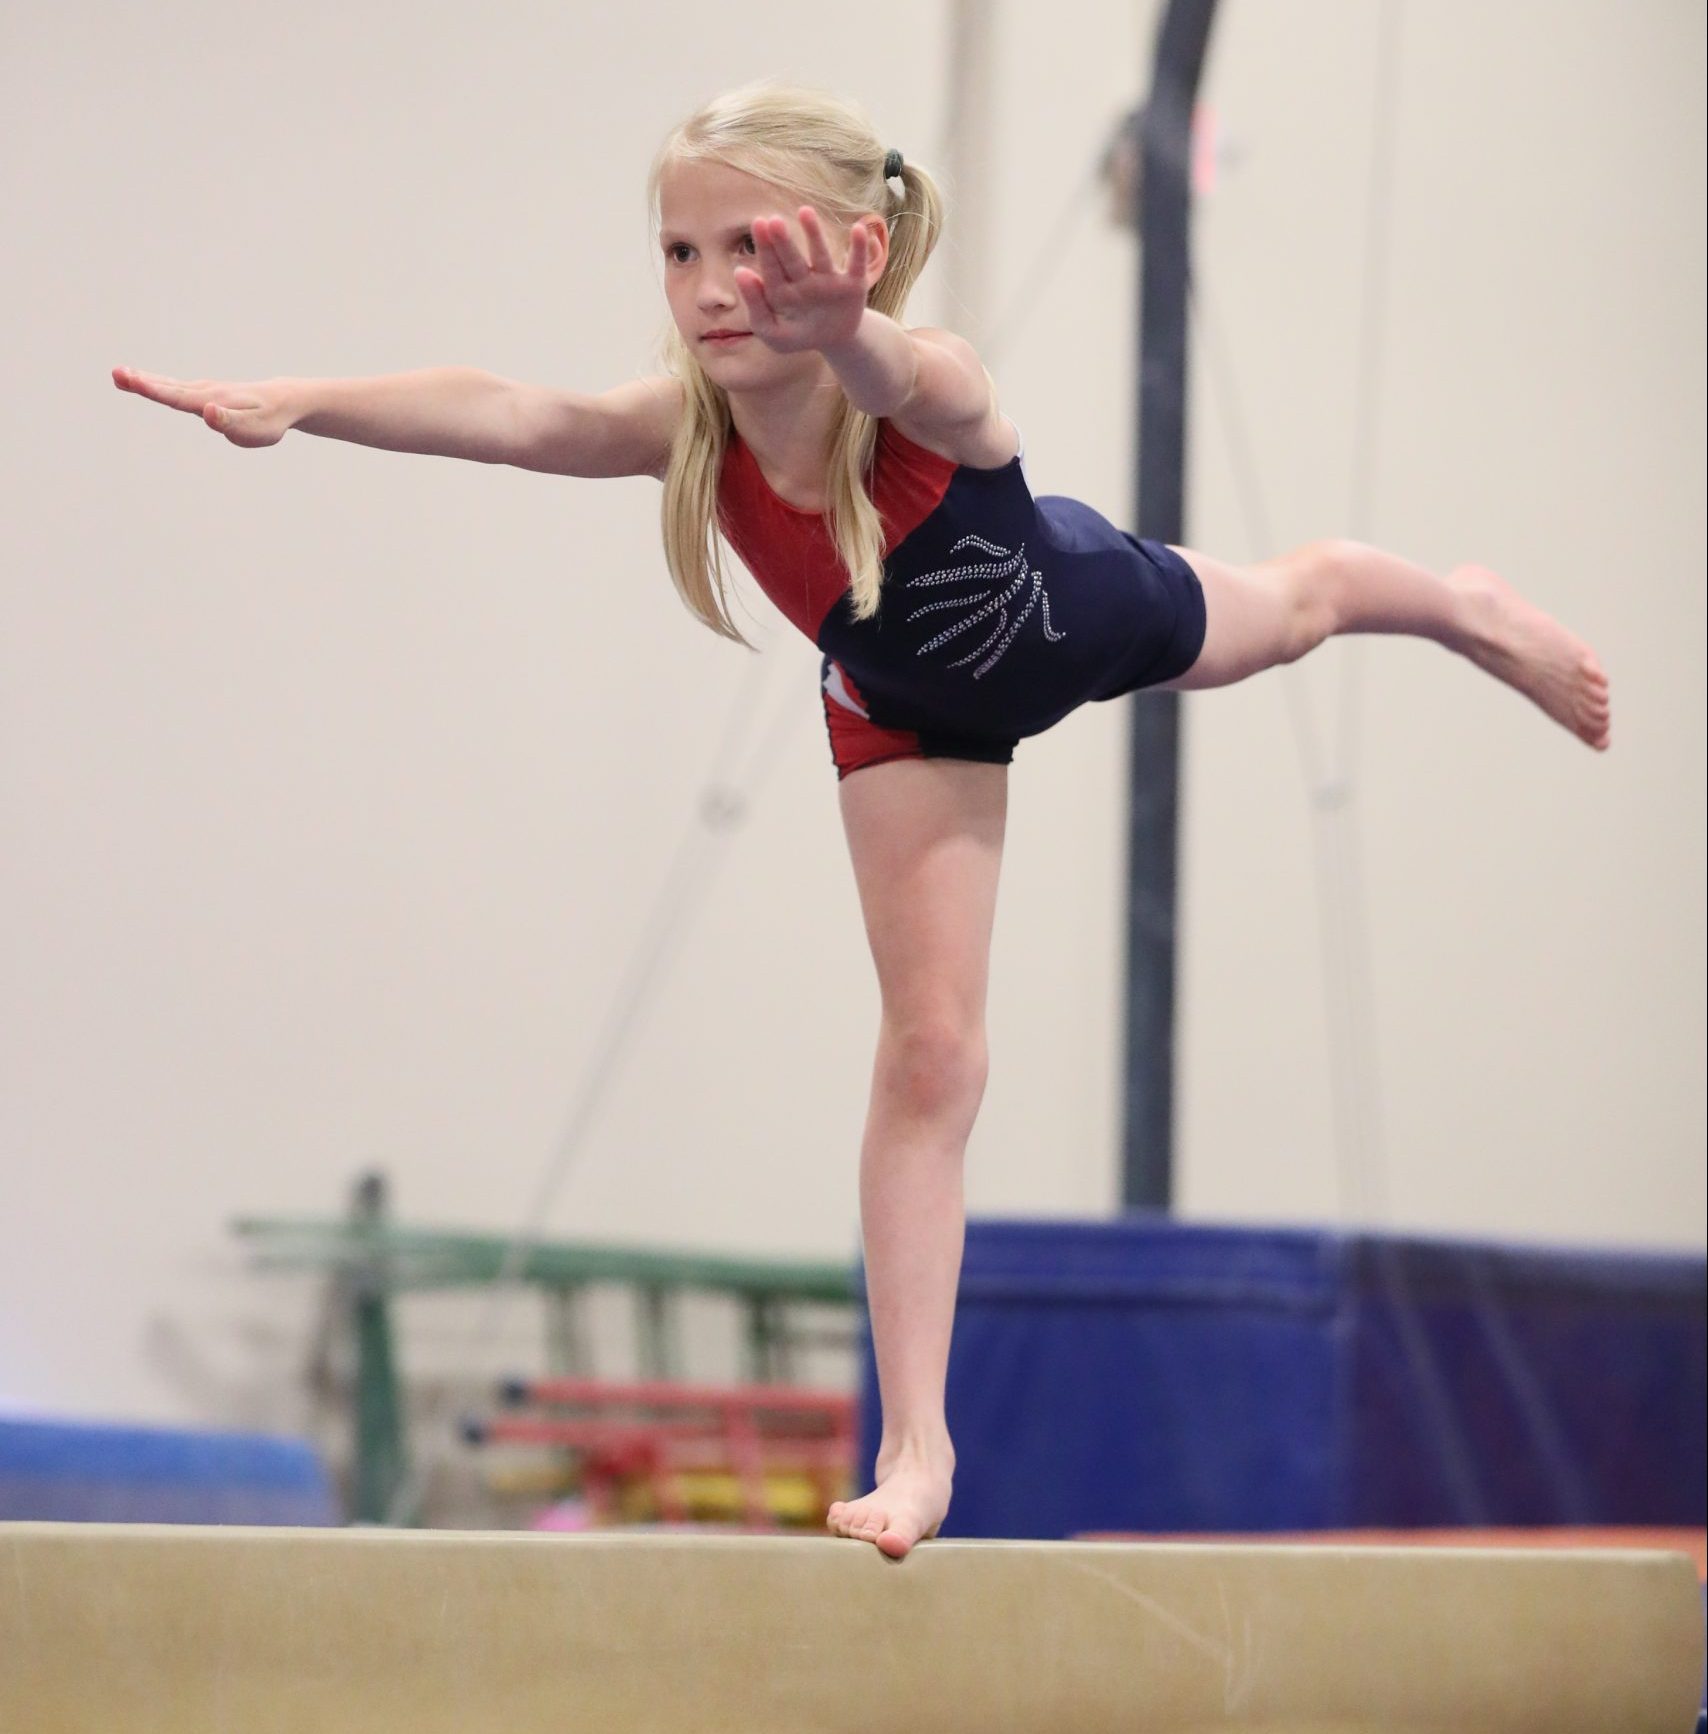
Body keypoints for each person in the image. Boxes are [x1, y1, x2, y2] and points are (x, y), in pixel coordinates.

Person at [111, 79, 1611, 1562]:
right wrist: (303, 405)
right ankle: (916, 1440)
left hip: (1060, 613)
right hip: (901, 713)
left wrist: (848, 333)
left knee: (1303, 606)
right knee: (933, 1050)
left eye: (747, 252)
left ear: (853, 252)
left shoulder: (921, 383)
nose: (709, 290)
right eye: (680, 254)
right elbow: (515, 413)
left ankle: (1465, 605)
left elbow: (919, 384)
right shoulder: (691, 429)